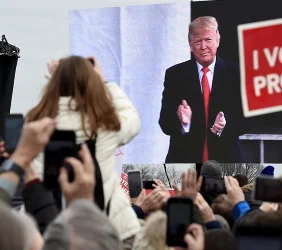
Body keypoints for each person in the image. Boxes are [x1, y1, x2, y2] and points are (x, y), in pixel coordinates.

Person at [24, 56, 142, 243]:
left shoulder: (36, 124)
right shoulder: (104, 124)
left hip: (52, 231)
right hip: (110, 229)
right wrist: (104, 82)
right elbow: (132, 120)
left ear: (55, 84)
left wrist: (60, 82)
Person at [159, 16, 250, 163]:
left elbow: (247, 120)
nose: (203, 46)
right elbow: (165, 123)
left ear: (217, 40)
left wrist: (226, 124)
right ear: (190, 44)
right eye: (197, 41)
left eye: (208, 40)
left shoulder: (236, 73)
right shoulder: (175, 75)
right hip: (184, 161)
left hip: (226, 161)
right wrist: (183, 122)